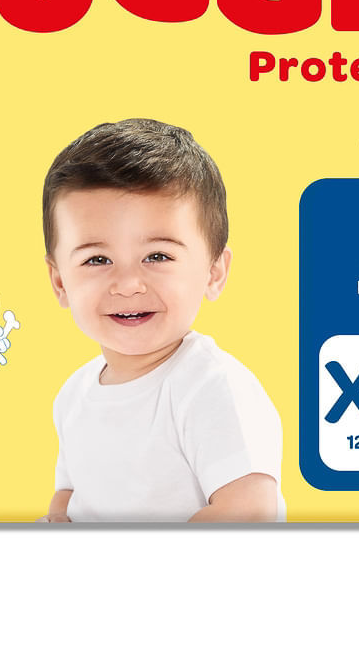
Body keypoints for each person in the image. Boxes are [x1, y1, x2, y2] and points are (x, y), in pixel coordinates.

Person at [39, 118, 285, 522]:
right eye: (97, 259)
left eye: (157, 256)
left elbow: (250, 511)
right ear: (60, 282)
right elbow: (68, 495)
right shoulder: (73, 395)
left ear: (213, 272)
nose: (128, 284)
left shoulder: (211, 387)